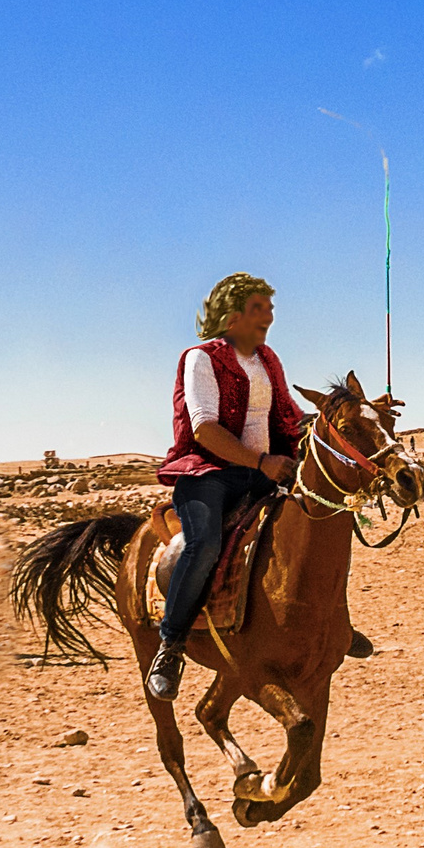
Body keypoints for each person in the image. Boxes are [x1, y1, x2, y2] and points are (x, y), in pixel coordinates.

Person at [146, 274, 305, 702]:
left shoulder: (268, 360)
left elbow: (289, 417)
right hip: (207, 474)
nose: (269, 316)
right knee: (205, 546)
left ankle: (330, 622)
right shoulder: (200, 358)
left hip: (264, 473)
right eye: (259, 308)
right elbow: (205, 429)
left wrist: (350, 417)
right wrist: (261, 461)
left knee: (313, 523)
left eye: (270, 308)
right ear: (232, 316)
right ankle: (171, 644)